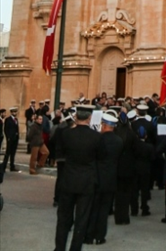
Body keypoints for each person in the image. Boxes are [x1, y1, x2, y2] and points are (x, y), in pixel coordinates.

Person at [54, 105, 104, 251]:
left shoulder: (66, 134)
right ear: (89, 118)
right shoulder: (96, 137)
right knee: (81, 220)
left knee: (63, 218)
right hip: (87, 181)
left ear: (76, 117)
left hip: (69, 179)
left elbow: (61, 152)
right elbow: (100, 157)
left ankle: (59, 248)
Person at [85, 111, 123, 245]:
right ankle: (100, 236)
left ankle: (89, 236)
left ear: (105, 125)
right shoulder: (119, 141)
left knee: (92, 208)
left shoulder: (98, 139)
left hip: (96, 177)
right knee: (104, 210)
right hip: (110, 179)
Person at [2, 107, 20, 172]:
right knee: (7, 153)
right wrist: (8, 138)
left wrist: (18, 137)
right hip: (10, 139)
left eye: (15, 112)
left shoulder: (16, 120)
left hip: (15, 139)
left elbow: (17, 129)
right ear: (11, 112)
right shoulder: (8, 119)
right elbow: (6, 129)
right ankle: (3, 167)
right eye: (13, 112)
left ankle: (12, 167)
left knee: (13, 153)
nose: (15, 113)